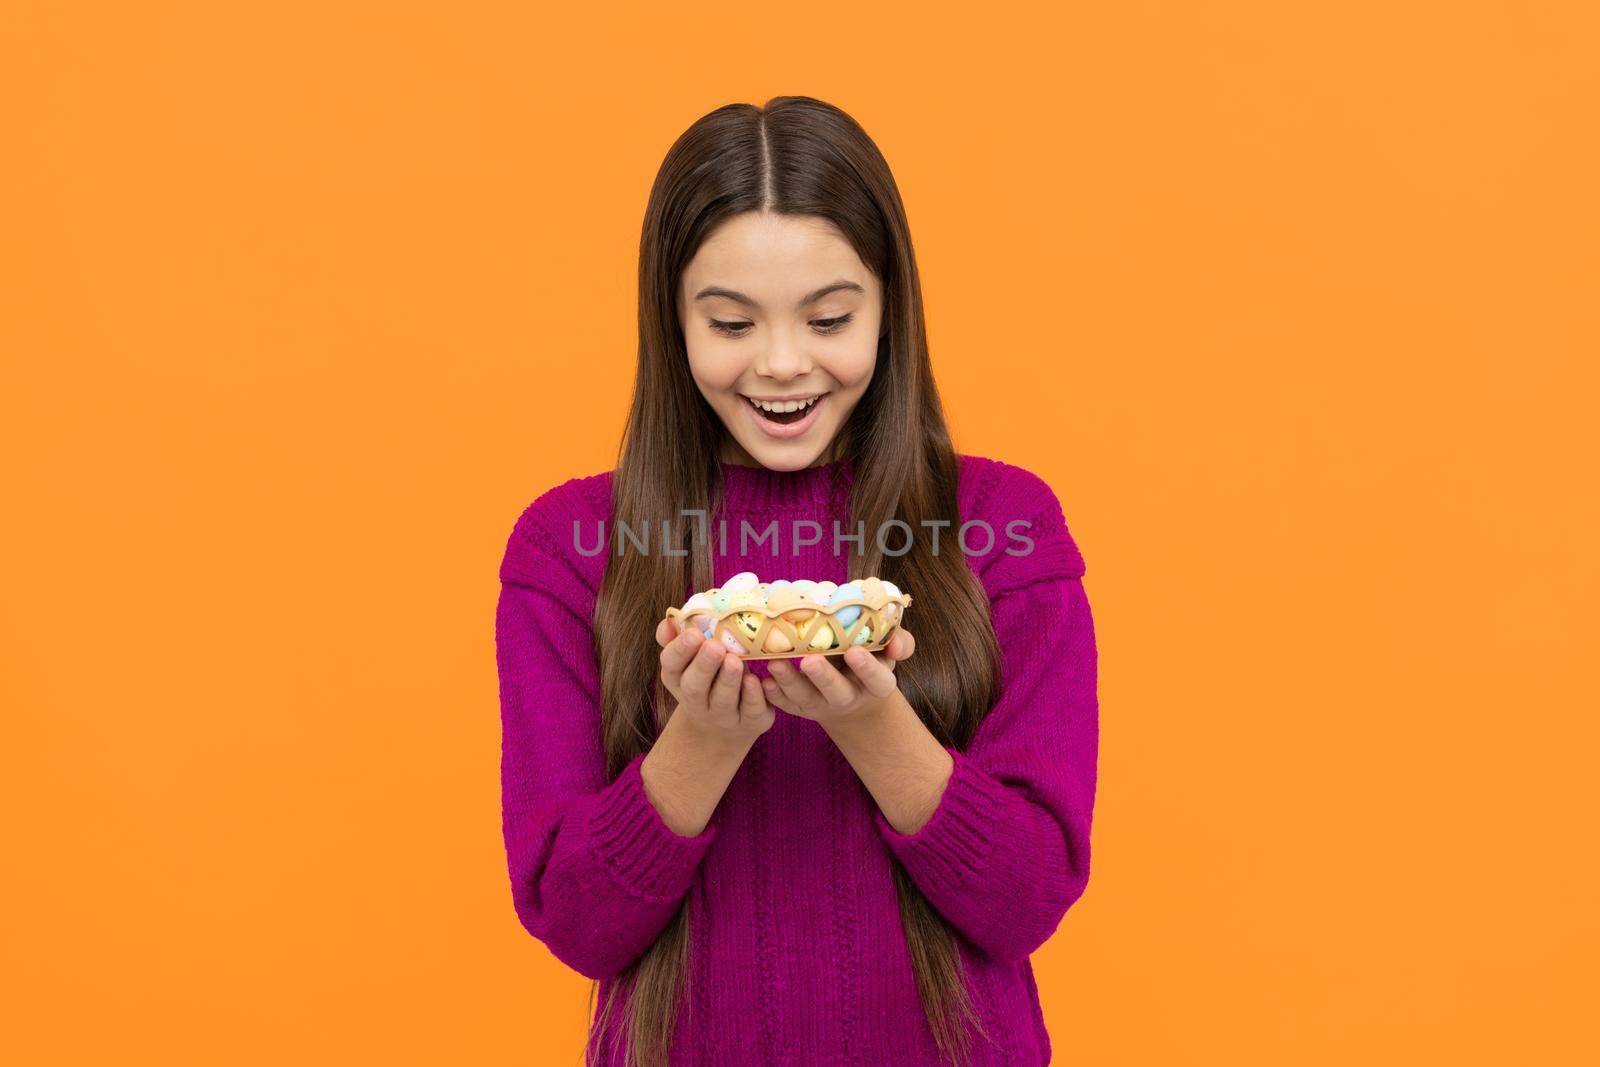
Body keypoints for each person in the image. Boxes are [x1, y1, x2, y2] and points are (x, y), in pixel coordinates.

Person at [495, 95, 1099, 1067]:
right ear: (672, 318)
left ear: (888, 308)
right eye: (731, 321)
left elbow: (1029, 896)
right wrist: (704, 732)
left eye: (828, 318)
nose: (782, 364)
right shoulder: (572, 545)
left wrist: (871, 720)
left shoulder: (1005, 524)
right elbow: (574, 919)